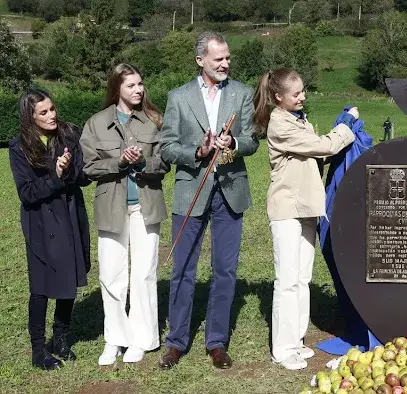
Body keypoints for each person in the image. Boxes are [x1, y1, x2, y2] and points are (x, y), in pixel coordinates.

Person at [158, 31, 259, 370]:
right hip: (191, 191)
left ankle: (217, 342)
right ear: (201, 60)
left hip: (231, 191)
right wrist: (197, 151)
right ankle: (176, 342)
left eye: (227, 58)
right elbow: (167, 146)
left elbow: (252, 141)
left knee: (225, 271)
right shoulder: (178, 97)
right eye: (218, 59)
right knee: (183, 269)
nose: (225, 64)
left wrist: (233, 143)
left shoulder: (242, 93)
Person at [252, 67, 357, 370]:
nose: (302, 97)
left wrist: (337, 131)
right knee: (286, 281)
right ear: (278, 97)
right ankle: (282, 349)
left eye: (302, 91)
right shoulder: (279, 125)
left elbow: (319, 154)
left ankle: (296, 341)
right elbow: (324, 146)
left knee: (302, 279)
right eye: (296, 94)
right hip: (287, 210)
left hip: (307, 208)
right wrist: (346, 125)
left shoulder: (300, 121)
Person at [79, 63, 170, 365]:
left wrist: (144, 163)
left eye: (140, 84)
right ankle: (115, 339)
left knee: (144, 274)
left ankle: (142, 339)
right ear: (116, 88)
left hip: (145, 206)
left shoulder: (154, 121)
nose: (139, 90)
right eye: (131, 85)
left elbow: (165, 163)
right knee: (111, 275)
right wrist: (118, 161)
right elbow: (89, 167)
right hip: (111, 207)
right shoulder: (96, 123)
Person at [9, 89, 92, 370]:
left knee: (69, 275)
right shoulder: (18, 147)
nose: (52, 115)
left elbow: (84, 177)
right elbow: (27, 193)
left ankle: (61, 338)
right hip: (41, 222)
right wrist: (56, 176)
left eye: (52, 108)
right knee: (41, 285)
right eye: (43, 112)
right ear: (30, 117)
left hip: (70, 215)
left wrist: (69, 171)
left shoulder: (69, 135)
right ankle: (37, 349)